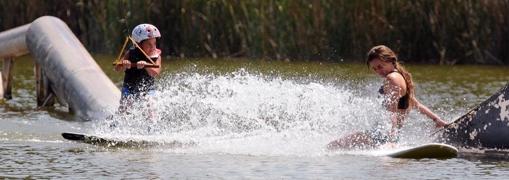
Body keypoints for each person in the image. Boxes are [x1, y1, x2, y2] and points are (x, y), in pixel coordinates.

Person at [327, 45, 448, 150]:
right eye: (374, 69)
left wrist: (391, 140)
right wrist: (437, 120)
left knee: (332, 146)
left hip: (381, 136)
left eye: (380, 66)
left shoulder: (392, 79)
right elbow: (416, 104)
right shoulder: (401, 76)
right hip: (385, 135)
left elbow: (392, 111)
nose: (378, 71)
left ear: (391, 61)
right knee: (337, 146)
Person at [114, 24, 162, 114]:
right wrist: (124, 64)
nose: (153, 47)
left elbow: (155, 73)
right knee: (125, 108)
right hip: (129, 88)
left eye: (154, 43)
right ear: (138, 44)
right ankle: (118, 124)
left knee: (151, 108)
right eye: (149, 44)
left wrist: (146, 66)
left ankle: (152, 126)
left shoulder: (156, 56)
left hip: (148, 89)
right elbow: (117, 68)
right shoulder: (130, 53)